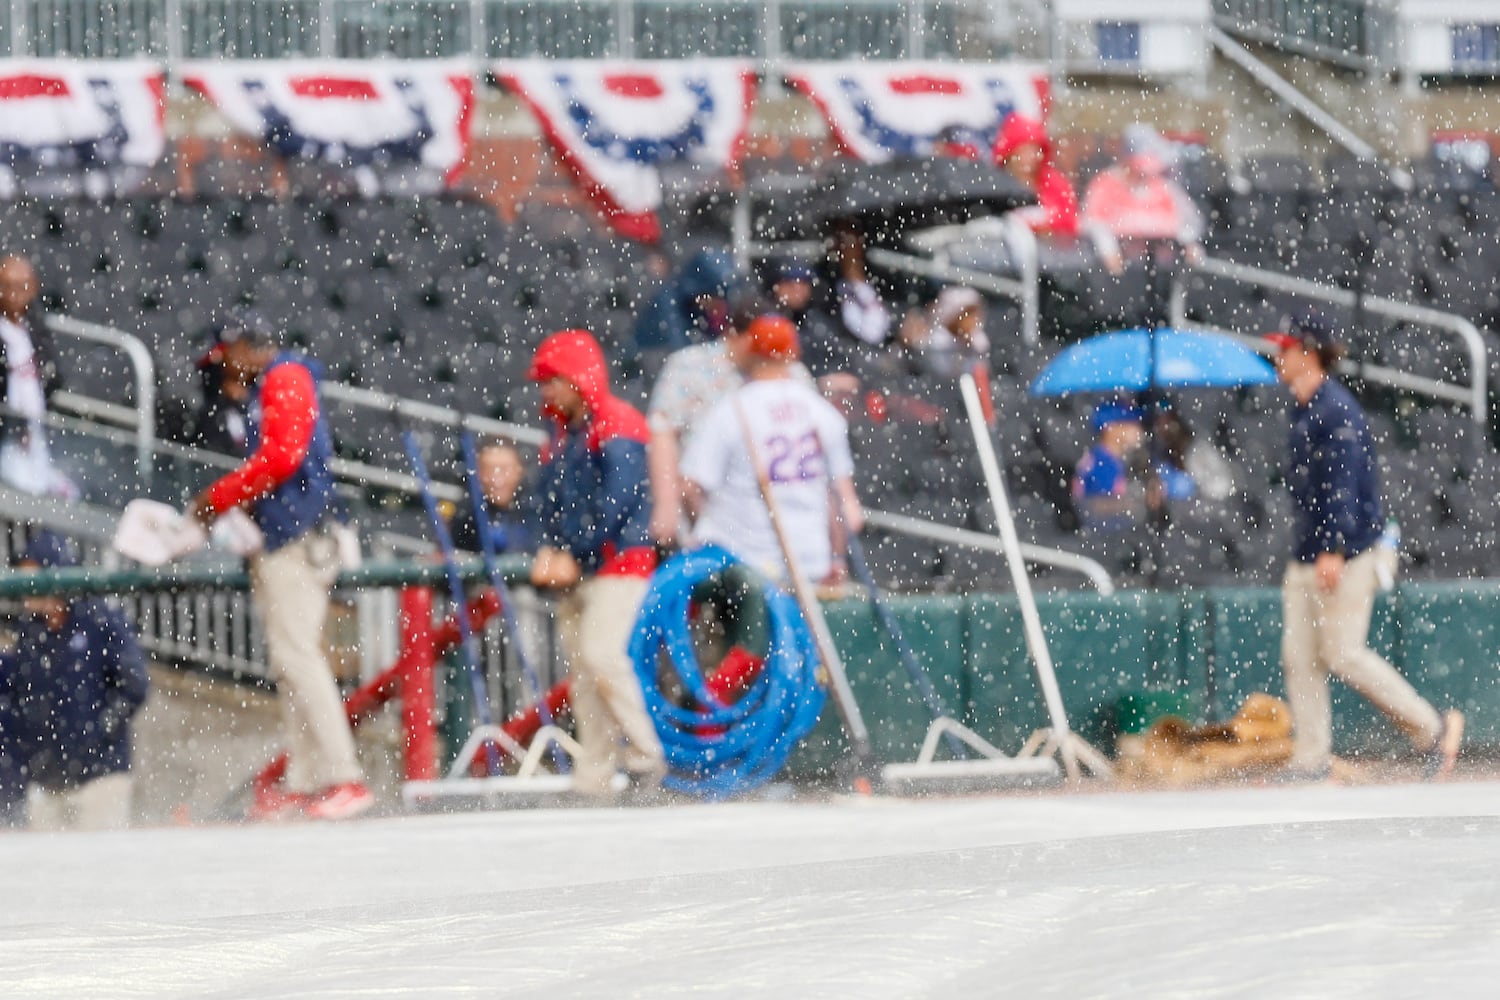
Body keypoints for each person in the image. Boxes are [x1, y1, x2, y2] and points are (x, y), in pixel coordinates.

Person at [187, 310, 371, 821]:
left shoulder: (285, 377)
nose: (226, 370)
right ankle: (307, 779)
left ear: (247, 347)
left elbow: (282, 459)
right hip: (287, 534)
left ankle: (344, 777)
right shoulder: (280, 379)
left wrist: (219, 497)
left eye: (229, 358)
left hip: (298, 539)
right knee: (291, 662)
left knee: (298, 658)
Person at [1267, 312, 1463, 780]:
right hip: (1309, 552)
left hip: (1348, 552)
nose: (1279, 356)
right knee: (1300, 657)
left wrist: (1333, 546)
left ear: (1308, 354)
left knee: (1343, 654)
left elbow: (1344, 483)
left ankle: (1432, 728)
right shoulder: (1304, 406)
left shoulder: (1336, 409)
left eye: (1287, 348)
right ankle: (1312, 760)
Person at [527, 329, 667, 797]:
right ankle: (595, 775)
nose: (546, 391)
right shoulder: (564, 435)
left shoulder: (617, 422)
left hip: (618, 564)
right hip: (584, 567)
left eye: (553, 381)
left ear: (578, 379)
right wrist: (550, 547)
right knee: (584, 677)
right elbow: (549, 503)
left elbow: (616, 504)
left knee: (602, 657)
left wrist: (574, 552)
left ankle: (648, 758)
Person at [680, 314, 864, 588]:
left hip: (745, 568)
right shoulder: (823, 414)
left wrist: (709, 532)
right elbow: (848, 511)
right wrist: (835, 559)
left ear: (750, 353)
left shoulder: (732, 411)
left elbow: (690, 487)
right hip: (811, 565)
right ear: (793, 354)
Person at [0, 531, 149, 831]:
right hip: (46, 781)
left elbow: (135, 683)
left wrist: (101, 730)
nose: (27, 590)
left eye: (33, 578)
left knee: (105, 868)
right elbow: (15, 693)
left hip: (100, 778)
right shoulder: (29, 631)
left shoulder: (98, 619)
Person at [645, 294, 813, 546]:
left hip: (776, 520)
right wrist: (666, 502)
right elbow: (663, 432)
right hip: (703, 510)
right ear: (735, 335)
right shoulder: (689, 365)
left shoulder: (791, 374)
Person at [1080, 125, 1205, 277]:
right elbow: (1093, 223)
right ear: (1126, 159)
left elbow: (1186, 220)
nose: (1143, 173)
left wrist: (1189, 244)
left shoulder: (1162, 186)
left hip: (1163, 271)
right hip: (1123, 275)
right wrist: (1109, 250)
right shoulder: (1104, 185)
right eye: (1140, 165)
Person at [0, 254, 71, 498]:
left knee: (58, 492)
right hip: (6, 434)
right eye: (6, 286)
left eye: (21, 287)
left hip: (36, 433)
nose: (13, 294)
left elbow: (53, 377)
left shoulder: (36, 330)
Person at [632, 248, 737, 356]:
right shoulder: (669, 303)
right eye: (714, 296)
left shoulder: (700, 306)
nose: (716, 305)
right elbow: (680, 350)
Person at [991, 115, 1080, 239]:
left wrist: (1040, 223)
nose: (1030, 156)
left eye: (1035, 150)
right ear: (1009, 152)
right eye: (1023, 150)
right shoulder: (994, 184)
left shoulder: (1054, 182)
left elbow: (1069, 220)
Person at [447, 438, 535, 555]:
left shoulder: (536, 510)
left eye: (505, 470)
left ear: (519, 471)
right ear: (478, 474)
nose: (497, 480)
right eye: (489, 470)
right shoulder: (466, 515)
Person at [1073, 400, 1148, 528]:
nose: (1138, 428)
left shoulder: (1112, 459)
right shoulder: (1102, 463)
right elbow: (1096, 507)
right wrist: (1140, 504)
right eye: (1130, 422)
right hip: (1105, 540)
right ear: (1111, 428)